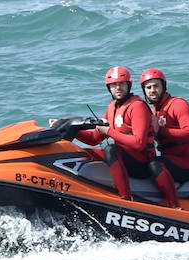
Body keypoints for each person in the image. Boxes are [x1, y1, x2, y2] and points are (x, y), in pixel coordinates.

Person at [74, 66, 180, 208]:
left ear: (128, 85)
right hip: (122, 159)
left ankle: (126, 200)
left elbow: (139, 143)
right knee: (81, 153)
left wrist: (109, 131)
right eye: (114, 85)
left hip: (142, 163)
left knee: (111, 149)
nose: (118, 88)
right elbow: (94, 139)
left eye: (121, 84)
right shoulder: (112, 107)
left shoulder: (137, 107)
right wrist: (72, 129)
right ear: (109, 88)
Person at [140, 68, 189, 184]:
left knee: (154, 163)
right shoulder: (153, 113)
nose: (152, 90)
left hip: (188, 164)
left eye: (156, 86)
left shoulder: (178, 105)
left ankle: (172, 202)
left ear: (164, 86)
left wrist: (160, 130)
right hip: (167, 160)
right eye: (148, 87)